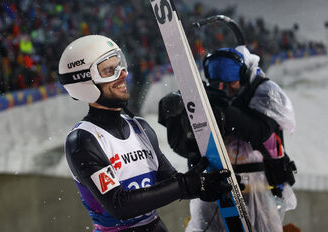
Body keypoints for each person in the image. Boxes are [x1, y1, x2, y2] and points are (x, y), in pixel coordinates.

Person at [57, 34, 233, 232]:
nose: (123, 74)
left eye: (120, 66)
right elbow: (120, 205)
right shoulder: (83, 140)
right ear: (84, 83)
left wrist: (201, 185)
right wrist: (185, 185)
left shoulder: (140, 128)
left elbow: (170, 183)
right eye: (109, 71)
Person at [158, 45, 297, 231]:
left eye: (232, 82)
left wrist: (222, 109)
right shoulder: (213, 97)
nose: (227, 89)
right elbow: (188, 147)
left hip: (259, 190)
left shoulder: (264, 93)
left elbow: (258, 132)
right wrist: (178, 113)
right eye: (221, 83)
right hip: (216, 188)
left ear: (244, 75)